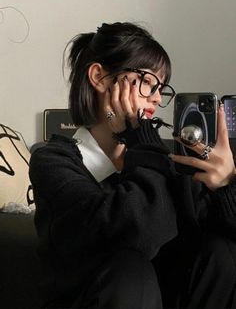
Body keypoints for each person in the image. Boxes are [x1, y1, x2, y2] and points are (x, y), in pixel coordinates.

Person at [29, 22, 236, 308]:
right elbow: (137, 233)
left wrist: (226, 186)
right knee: (131, 270)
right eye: (147, 81)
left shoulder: (163, 160)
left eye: (160, 89)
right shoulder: (53, 161)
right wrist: (142, 141)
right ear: (99, 77)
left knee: (221, 255)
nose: (155, 98)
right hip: (97, 296)